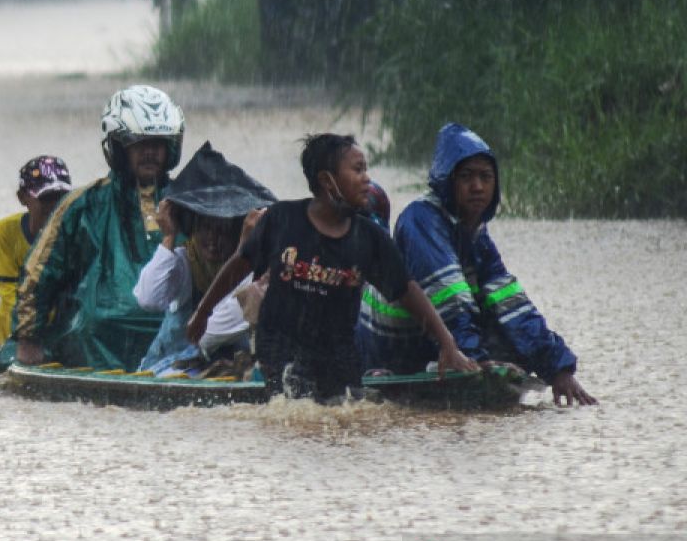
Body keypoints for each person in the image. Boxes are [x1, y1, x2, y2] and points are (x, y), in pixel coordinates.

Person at [188, 133, 477, 401]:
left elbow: (407, 291)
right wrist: (203, 313)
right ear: (328, 181)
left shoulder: (369, 239)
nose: (367, 179)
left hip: (338, 358)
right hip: (280, 352)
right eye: (358, 170)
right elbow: (239, 265)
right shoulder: (282, 220)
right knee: (293, 410)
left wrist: (447, 345)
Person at [367, 123, 597, 406]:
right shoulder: (420, 220)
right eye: (466, 177)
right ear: (447, 182)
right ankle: (455, 360)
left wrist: (558, 369)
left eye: (485, 177)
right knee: (469, 322)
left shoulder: (476, 234)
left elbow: (512, 305)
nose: (477, 187)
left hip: (435, 341)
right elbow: (450, 302)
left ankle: (467, 357)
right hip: (391, 348)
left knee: (506, 324)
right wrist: (477, 362)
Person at [3, 85, 186, 373]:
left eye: (158, 144)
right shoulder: (81, 205)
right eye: (140, 143)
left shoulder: (192, 203)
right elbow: (39, 275)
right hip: (97, 337)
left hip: (177, 330)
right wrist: (27, 338)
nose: (150, 152)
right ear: (118, 146)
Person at [132, 142, 274, 375]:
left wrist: (242, 250)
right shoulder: (184, 261)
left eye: (222, 230)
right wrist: (168, 237)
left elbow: (212, 331)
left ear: (237, 232)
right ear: (193, 227)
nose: (213, 239)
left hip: (222, 372)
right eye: (206, 228)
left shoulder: (255, 278)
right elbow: (148, 299)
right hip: (166, 368)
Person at [0, 155, 73, 347]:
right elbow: (8, 291)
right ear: (23, 198)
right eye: (46, 199)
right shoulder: (6, 231)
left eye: (60, 198)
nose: (54, 207)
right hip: (15, 332)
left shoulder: (78, 230)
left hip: (63, 331)